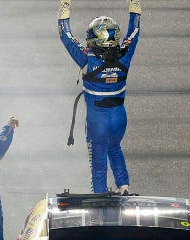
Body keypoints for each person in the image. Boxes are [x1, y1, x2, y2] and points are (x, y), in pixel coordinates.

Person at [58, 0, 142, 194]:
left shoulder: (86, 58)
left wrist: (64, 7)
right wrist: (135, 6)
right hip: (120, 119)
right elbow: (134, 32)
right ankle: (124, 186)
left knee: (98, 162)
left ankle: (100, 195)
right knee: (115, 147)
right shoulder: (125, 56)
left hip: (97, 122)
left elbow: (66, 36)